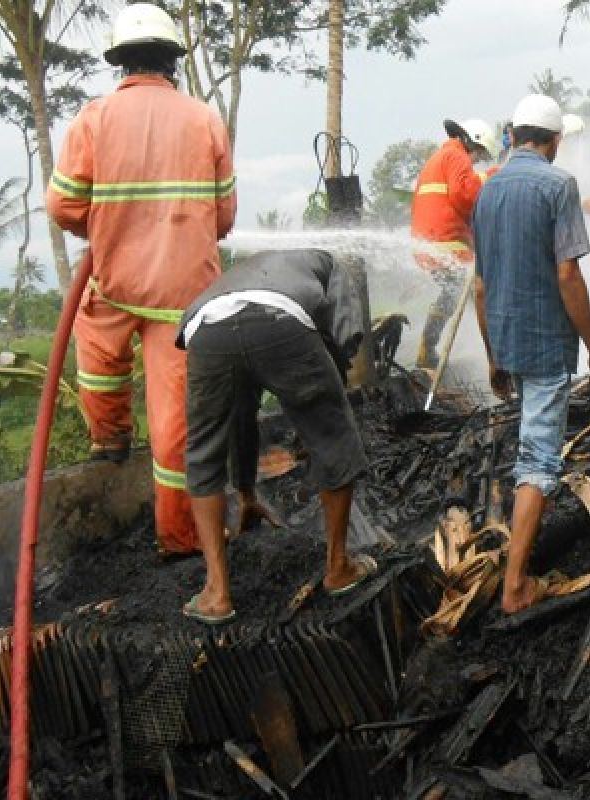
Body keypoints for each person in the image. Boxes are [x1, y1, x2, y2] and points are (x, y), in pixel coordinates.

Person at [47, 3, 236, 558]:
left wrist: (104, 223)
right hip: (185, 299)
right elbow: (224, 219)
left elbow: (61, 206)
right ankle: (179, 538)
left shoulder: (94, 118)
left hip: (116, 281)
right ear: (172, 62)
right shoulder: (204, 119)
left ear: (120, 63)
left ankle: (109, 438)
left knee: (97, 343)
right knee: (176, 425)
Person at [175, 249, 377, 623]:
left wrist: (245, 490)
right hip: (279, 321)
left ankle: (217, 592)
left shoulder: (240, 275)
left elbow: (242, 412)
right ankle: (338, 567)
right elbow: (346, 330)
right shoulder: (329, 262)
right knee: (332, 435)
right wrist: (335, 379)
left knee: (204, 452)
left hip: (206, 332)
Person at [471, 94, 590, 614]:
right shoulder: (559, 184)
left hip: (507, 340)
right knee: (539, 458)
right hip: (548, 341)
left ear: (511, 135)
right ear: (554, 142)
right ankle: (515, 586)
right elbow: (568, 273)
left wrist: (491, 354)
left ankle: (513, 560)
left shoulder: (487, 193)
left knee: (529, 445)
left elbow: (481, 287)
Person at [410, 118, 498, 369]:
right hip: (446, 242)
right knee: (472, 293)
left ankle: (430, 349)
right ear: (472, 140)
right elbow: (465, 196)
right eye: (479, 153)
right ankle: (495, 356)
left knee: (453, 293)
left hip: (432, 241)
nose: (478, 160)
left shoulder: (441, 156)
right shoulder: (456, 156)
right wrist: (490, 177)